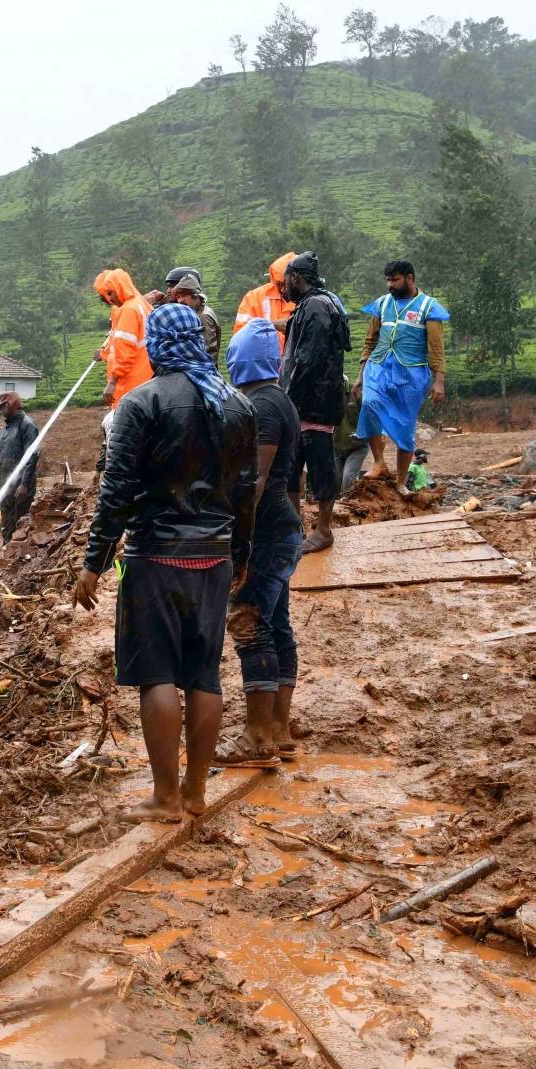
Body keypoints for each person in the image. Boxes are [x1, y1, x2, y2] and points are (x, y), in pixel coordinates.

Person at [73, 303, 257, 823]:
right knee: (204, 675)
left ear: (155, 346)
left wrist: (96, 560)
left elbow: (118, 493)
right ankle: (196, 793)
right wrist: (240, 551)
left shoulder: (141, 404)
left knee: (157, 674)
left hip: (154, 555)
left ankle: (165, 796)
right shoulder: (237, 405)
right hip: (215, 555)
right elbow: (246, 490)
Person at [220, 318, 303, 765]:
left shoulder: (262, 407)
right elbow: (294, 479)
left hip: (265, 532)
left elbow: (257, 478)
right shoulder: (282, 401)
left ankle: (256, 738)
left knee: (249, 622)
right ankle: (278, 729)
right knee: (277, 625)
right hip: (282, 528)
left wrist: (238, 540)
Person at [355, 261, 450, 492]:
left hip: (411, 374)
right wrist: (360, 375)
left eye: (395, 280)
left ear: (409, 278)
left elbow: (436, 348)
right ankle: (378, 462)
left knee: (405, 425)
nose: (390, 285)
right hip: (378, 367)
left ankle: (400, 482)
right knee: (369, 404)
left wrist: (439, 380)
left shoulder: (428, 307)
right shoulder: (382, 304)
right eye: (388, 280)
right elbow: (370, 341)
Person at [280, 252, 352, 554]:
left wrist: (286, 398)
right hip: (308, 402)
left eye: (287, 280)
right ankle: (295, 525)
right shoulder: (319, 303)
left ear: (296, 277)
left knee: (320, 467)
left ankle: (323, 530)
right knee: (293, 466)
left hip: (314, 403)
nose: (284, 287)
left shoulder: (316, 307)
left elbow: (308, 359)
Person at [93, 268, 153, 406]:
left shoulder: (128, 310)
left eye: (110, 293)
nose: (109, 299)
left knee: (127, 420)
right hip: (146, 376)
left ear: (120, 287)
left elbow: (124, 350)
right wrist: (103, 353)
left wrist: (113, 382)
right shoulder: (141, 303)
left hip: (131, 380)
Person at [0, 391, 39, 544]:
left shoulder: (27, 425)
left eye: (3, 406)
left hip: (20, 488)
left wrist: (24, 484)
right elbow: (0, 458)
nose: (0, 410)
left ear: (12, 405)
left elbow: (32, 456)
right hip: (5, 487)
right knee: (6, 525)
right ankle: (6, 556)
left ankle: (17, 558)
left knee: (19, 525)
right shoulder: (4, 430)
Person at [149, 269, 222, 368]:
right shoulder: (191, 312)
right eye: (178, 296)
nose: (180, 300)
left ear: (195, 295)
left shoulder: (203, 317)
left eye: (184, 295)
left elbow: (207, 353)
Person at [233, 252, 297, 346]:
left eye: (287, 284)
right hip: (263, 360)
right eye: (279, 284)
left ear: (296, 280)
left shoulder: (309, 299)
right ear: (273, 279)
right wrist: (271, 325)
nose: (283, 289)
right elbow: (239, 335)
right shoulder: (253, 298)